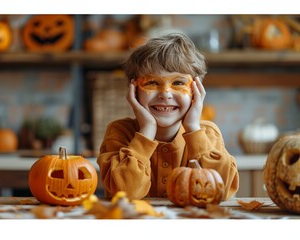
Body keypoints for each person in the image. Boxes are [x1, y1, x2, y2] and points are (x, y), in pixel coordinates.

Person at [97, 33, 239, 200]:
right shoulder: (120, 132)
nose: (165, 94)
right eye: (152, 83)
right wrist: (147, 130)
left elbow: (222, 190)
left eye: (178, 83)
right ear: (133, 90)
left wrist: (193, 128)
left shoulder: (207, 133)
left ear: (196, 91)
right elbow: (125, 193)